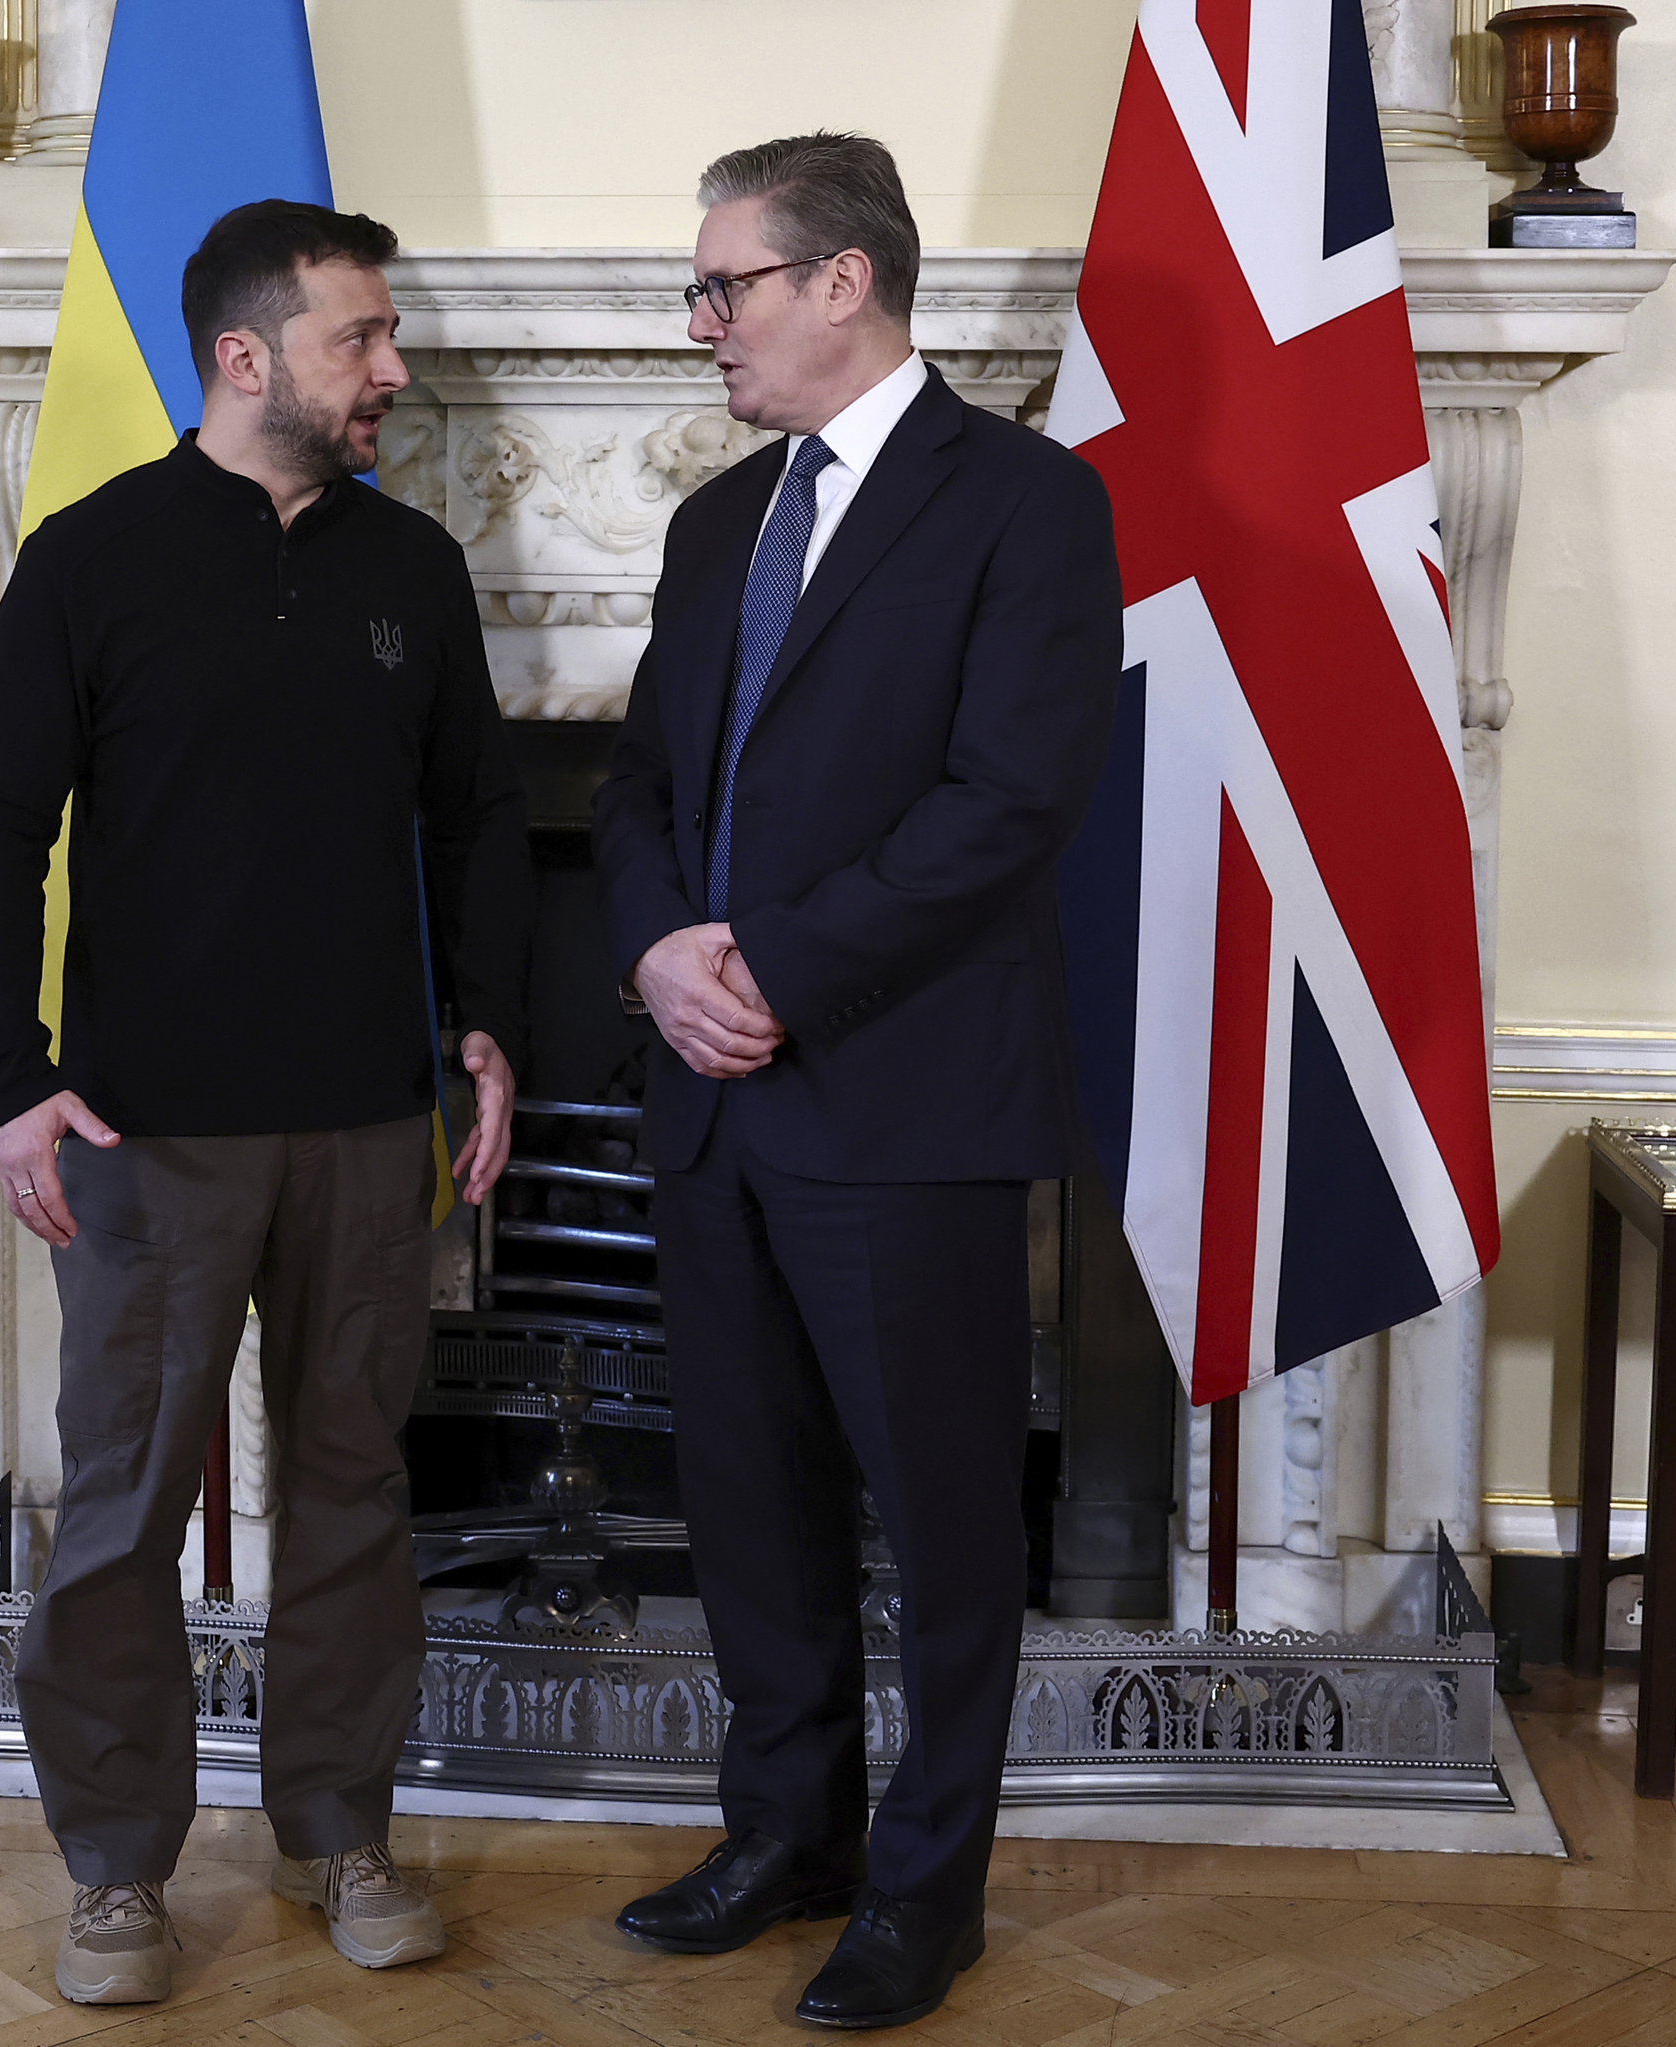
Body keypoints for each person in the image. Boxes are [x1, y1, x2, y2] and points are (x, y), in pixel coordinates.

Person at [0, 199, 532, 2005]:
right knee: (119, 1509)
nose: (393, 370)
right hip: (143, 1135)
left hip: (372, 1127)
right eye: (363, 338)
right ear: (244, 354)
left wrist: (488, 1031)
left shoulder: (413, 571)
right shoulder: (85, 560)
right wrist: (16, 1083)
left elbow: (482, 821)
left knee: (353, 1493)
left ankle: (338, 1832)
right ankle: (116, 1872)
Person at [591, 134, 1123, 2030]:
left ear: (844, 283)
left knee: (943, 1518)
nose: (703, 321)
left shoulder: (1027, 505)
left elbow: (1010, 804)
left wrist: (776, 972)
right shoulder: (715, 523)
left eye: (724, 284)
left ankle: (926, 1890)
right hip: (715, 1094)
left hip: (901, 1099)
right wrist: (663, 954)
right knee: (750, 1499)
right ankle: (786, 1834)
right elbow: (644, 784)